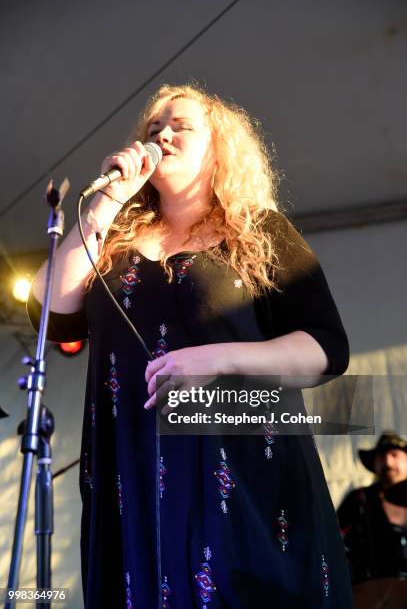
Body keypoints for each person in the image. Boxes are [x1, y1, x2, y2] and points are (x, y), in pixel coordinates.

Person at [28, 84, 352, 608]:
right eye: (155, 129)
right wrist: (105, 205)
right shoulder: (109, 240)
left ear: (220, 148)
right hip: (132, 457)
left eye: (181, 126)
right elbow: (51, 316)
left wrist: (220, 358)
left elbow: (325, 348)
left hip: (240, 453)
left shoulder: (259, 231)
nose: (163, 135)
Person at [337, 432, 407, 584]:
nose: (387, 462)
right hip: (371, 595)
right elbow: (333, 538)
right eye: (381, 457)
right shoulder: (359, 500)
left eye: (394, 455)